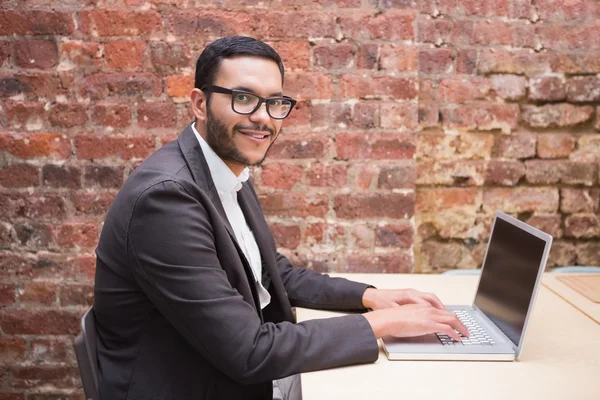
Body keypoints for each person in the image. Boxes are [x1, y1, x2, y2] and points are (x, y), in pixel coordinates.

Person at [93, 36, 468, 400]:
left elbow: (274, 275)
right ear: (199, 103)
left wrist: (371, 297)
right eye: (243, 99)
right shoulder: (167, 199)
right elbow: (249, 351)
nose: (262, 118)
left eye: (275, 103)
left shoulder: (225, 168)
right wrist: (384, 326)